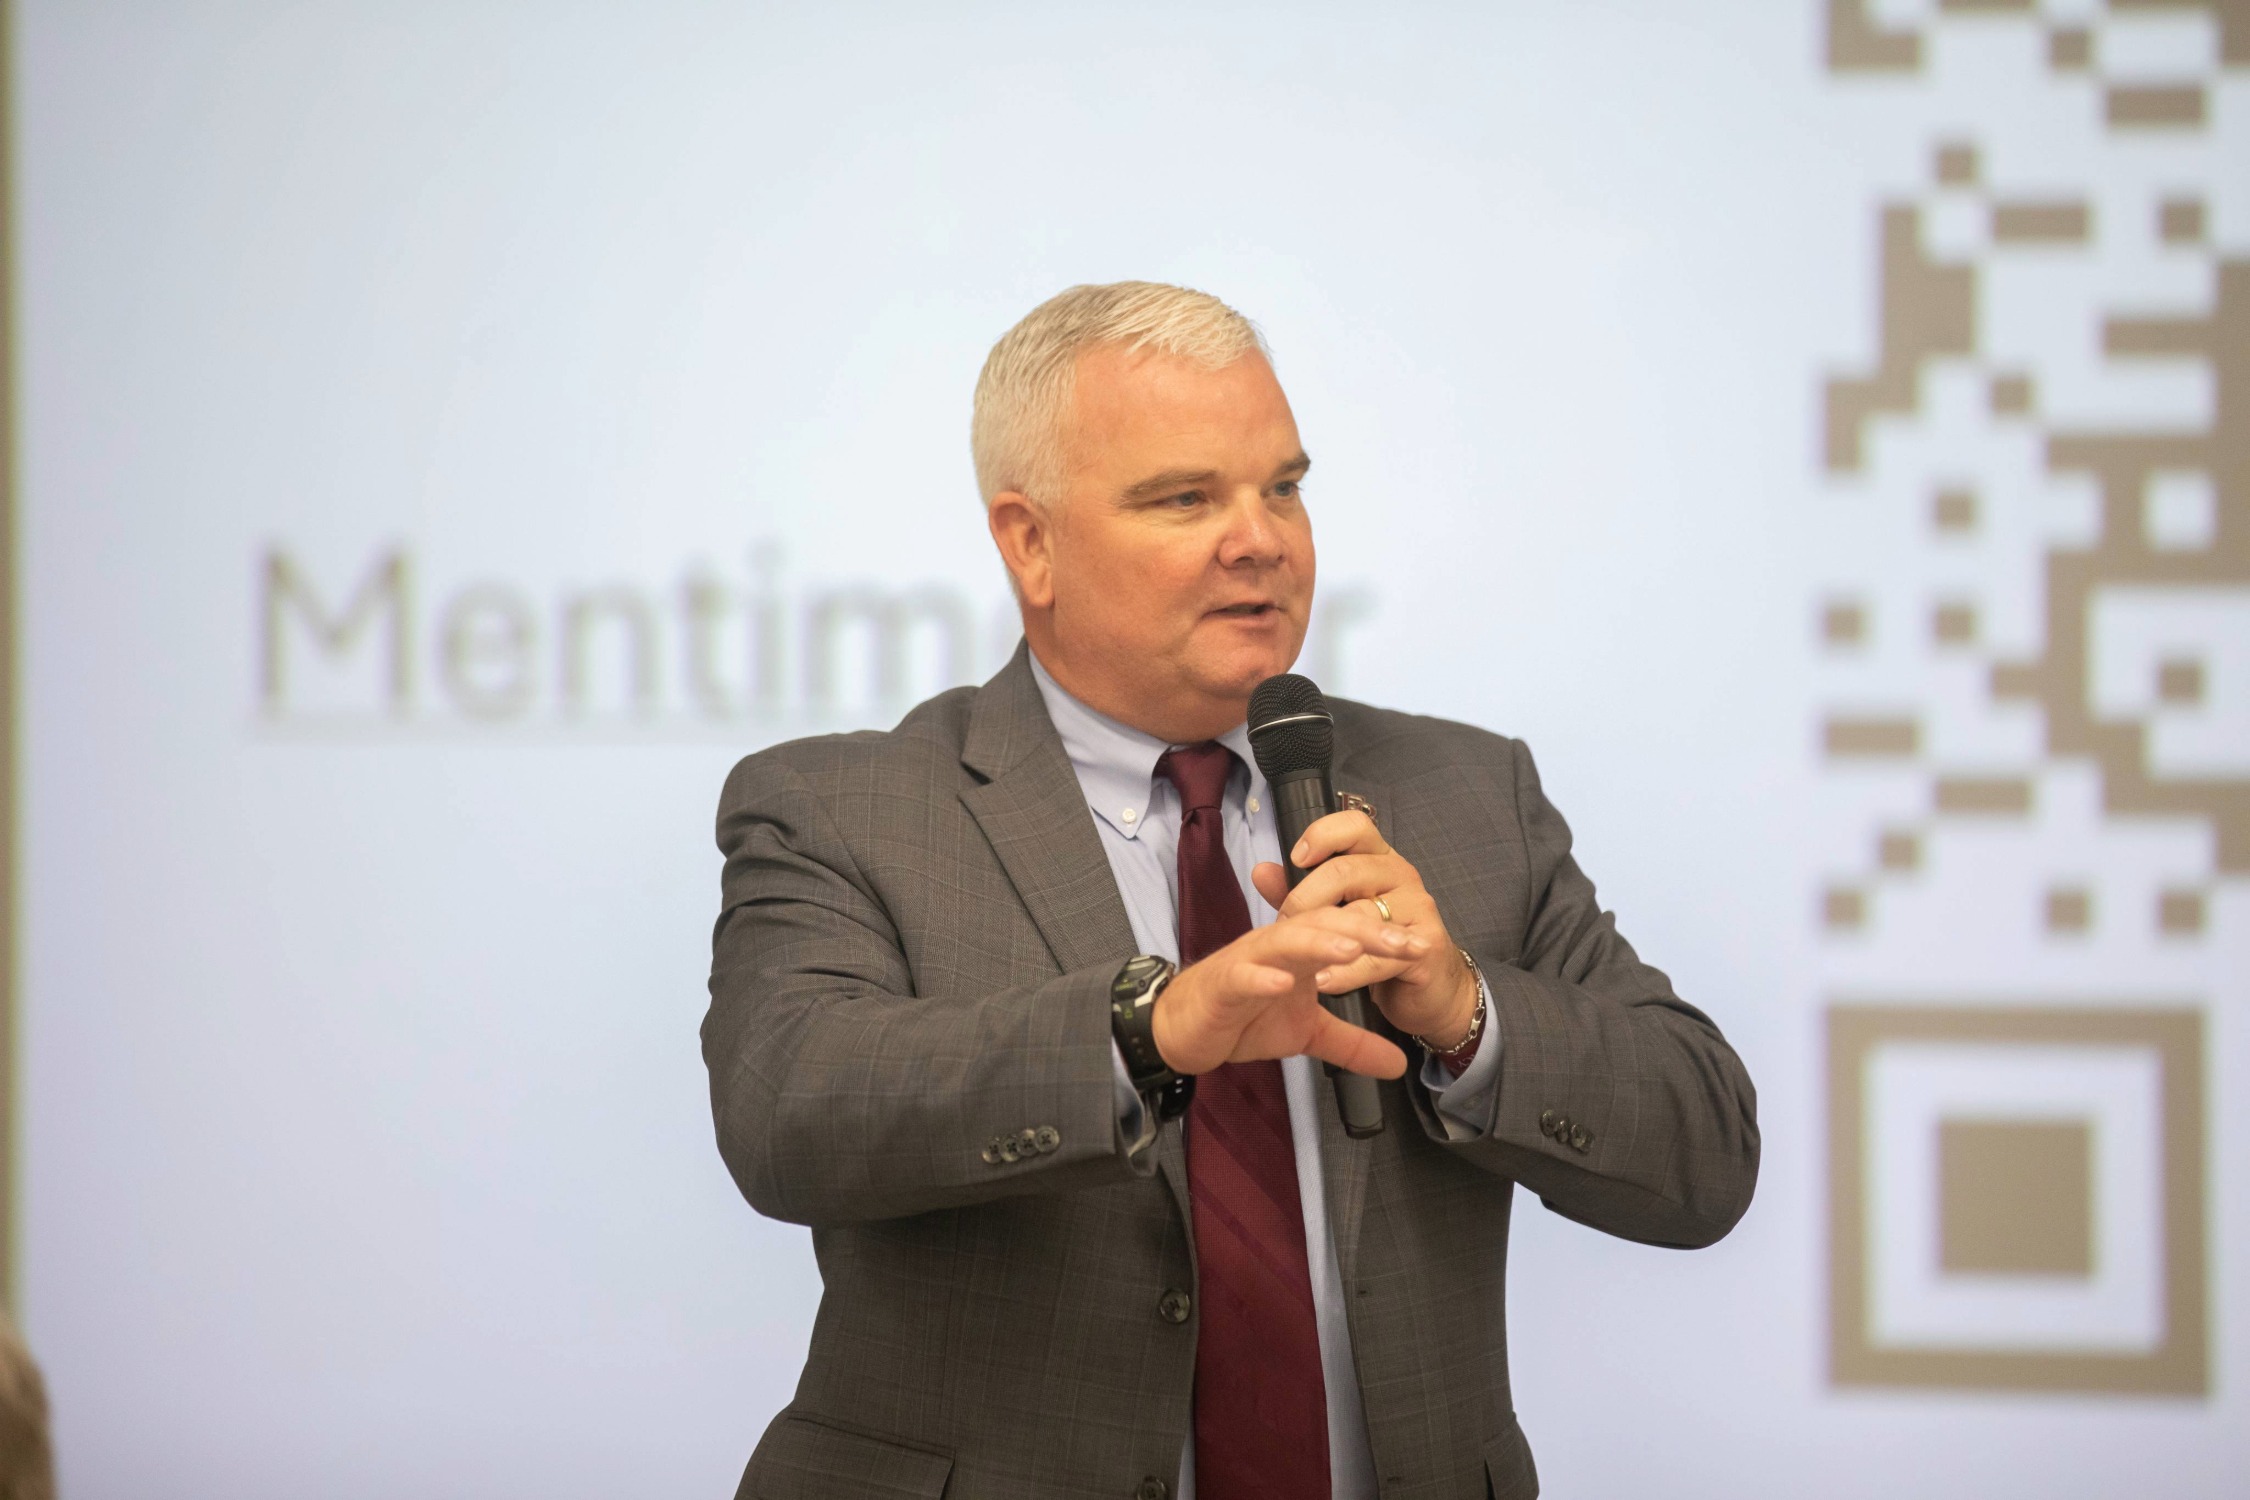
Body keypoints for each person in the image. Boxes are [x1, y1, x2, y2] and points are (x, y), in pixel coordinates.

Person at [702, 281, 1759, 1500]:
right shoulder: (848, 808)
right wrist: (1147, 1031)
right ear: (1029, 543)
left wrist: (1465, 1011)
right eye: (1185, 497)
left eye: (1285, 486)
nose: (1262, 537)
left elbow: (1708, 1154)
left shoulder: (1469, 793)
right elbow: (793, 1111)